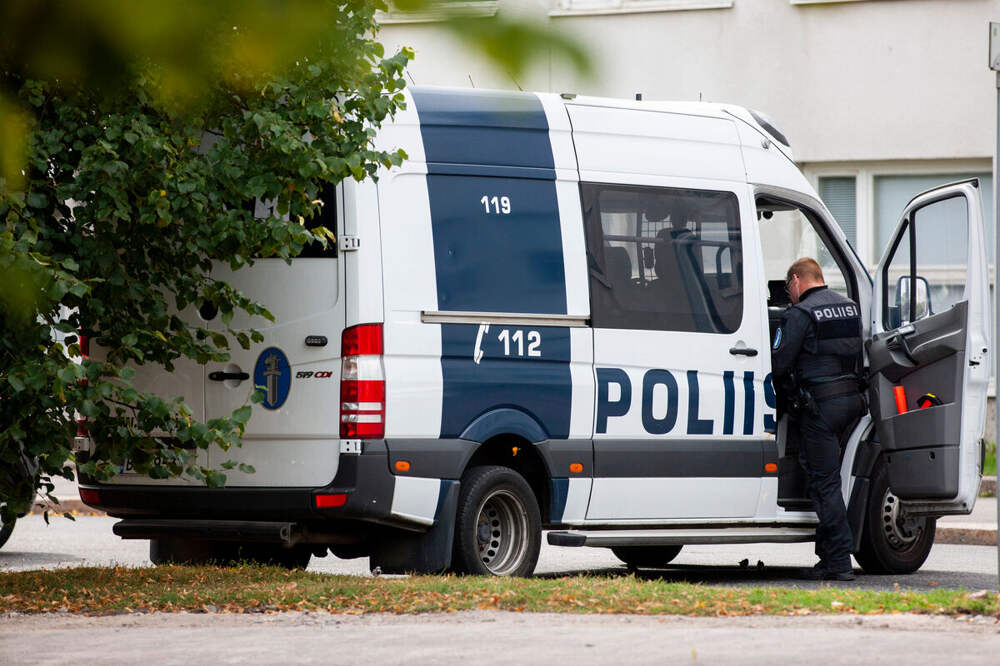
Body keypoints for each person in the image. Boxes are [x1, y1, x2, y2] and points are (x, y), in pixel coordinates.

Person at [771, 257, 866, 581]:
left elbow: (780, 364)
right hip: (851, 404)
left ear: (796, 280)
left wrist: (789, 397)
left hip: (820, 408)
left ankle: (838, 562)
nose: (789, 294)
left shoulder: (800, 314)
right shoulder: (849, 308)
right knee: (832, 478)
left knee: (825, 483)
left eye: (789, 288)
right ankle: (827, 558)